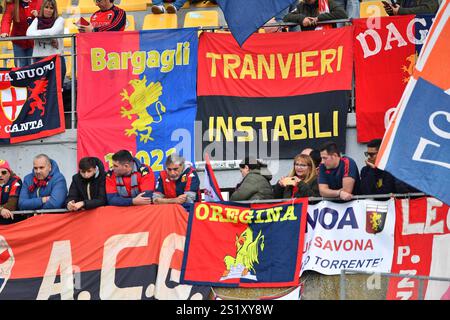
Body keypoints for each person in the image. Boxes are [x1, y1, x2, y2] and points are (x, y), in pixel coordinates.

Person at [26, 0, 65, 81]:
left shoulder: (60, 20)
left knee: (56, 90)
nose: (48, 10)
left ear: (55, 10)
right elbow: (29, 33)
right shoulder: (37, 20)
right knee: (39, 90)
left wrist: (37, 34)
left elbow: (52, 32)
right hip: (39, 59)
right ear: (42, 8)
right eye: (46, 7)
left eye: (51, 8)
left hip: (56, 59)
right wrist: (49, 40)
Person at [1, 0, 42, 67]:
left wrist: (38, 16)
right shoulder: (12, 3)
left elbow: (46, 18)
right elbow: (6, 18)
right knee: (20, 66)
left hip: (34, 42)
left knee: (33, 66)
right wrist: (4, 31)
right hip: (18, 42)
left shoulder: (39, 1)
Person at [283, 0, 347, 31]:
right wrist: (302, 19)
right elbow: (286, 18)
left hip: (328, 43)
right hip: (309, 45)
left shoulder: (328, 2)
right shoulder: (301, 6)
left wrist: (319, 18)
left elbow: (342, 14)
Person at [0, 159, 23, 224]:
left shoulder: (15, 181)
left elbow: (12, 205)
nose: (0, 175)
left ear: (9, 173)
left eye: (3, 172)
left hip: (13, 223)